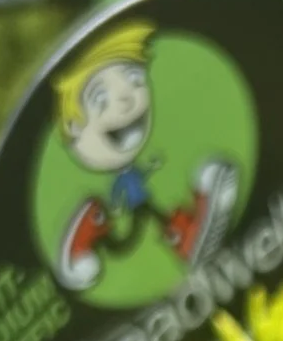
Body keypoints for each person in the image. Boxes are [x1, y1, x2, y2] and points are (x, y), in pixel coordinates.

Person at [52, 24, 238, 292]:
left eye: (135, 80)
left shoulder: (132, 166)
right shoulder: (116, 178)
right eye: (101, 99)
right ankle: (86, 240)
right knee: (126, 240)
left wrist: (149, 168)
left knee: (146, 227)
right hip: (134, 206)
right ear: (72, 127)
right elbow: (117, 191)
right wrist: (115, 205)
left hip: (143, 201)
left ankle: (185, 233)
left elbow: (138, 177)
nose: (127, 102)